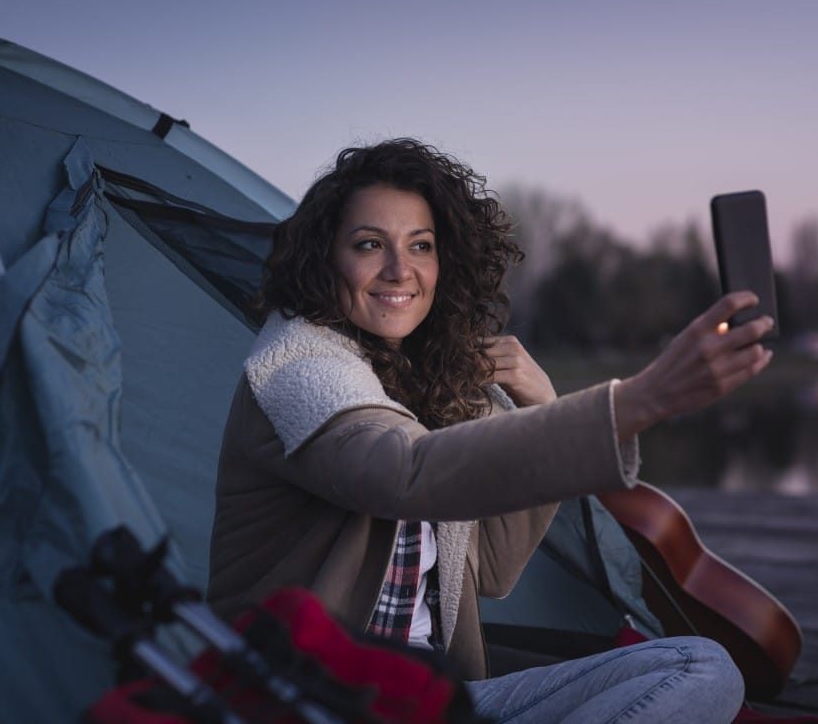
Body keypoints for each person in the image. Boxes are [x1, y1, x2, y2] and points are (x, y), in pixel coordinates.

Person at [207, 138, 774, 723]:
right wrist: (637, 401)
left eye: (421, 246)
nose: (401, 270)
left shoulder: (433, 378)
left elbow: (496, 570)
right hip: (317, 699)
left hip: (432, 698)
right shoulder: (297, 367)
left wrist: (538, 406)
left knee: (702, 666)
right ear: (325, 258)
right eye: (370, 244)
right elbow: (405, 472)